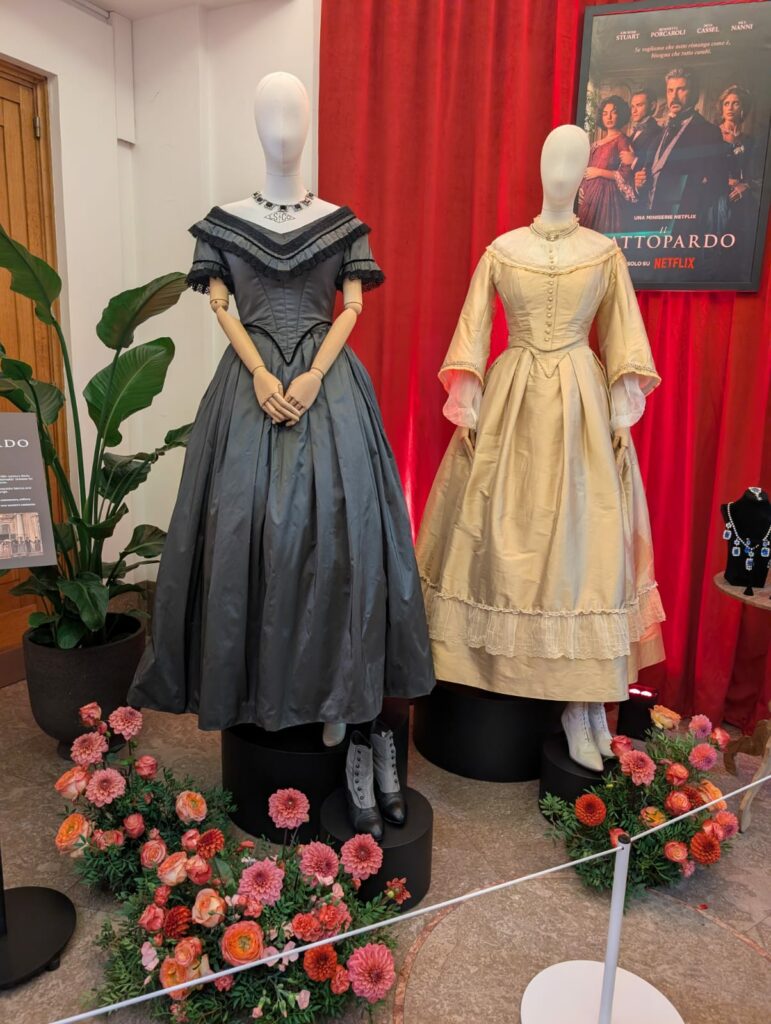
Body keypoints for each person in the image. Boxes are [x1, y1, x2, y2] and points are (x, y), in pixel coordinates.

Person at [641, 68, 725, 228]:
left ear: (694, 94)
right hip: (649, 218)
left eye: (681, 89)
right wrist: (640, 181)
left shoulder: (709, 132)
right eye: (670, 90)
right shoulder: (659, 134)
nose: (674, 97)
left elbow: (717, 183)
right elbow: (650, 171)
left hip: (684, 222)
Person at [577, 96, 635, 233]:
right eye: (605, 113)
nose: (608, 117)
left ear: (620, 114)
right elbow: (587, 170)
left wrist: (599, 172)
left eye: (613, 112)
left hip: (607, 198)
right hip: (589, 196)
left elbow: (625, 174)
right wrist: (582, 188)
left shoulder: (622, 140)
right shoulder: (596, 144)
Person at [715, 85, 762, 247]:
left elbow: (756, 174)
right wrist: (726, 181)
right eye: (726, 103)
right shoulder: (712, 135)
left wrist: (745, 186)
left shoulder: (750, 141)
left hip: (743, 199)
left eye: (735, 103)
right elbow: (702, 170)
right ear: (722, 109)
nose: (730, 107)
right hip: (717, 197)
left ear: (743, 108)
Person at [628, 88, 662, 206]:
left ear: (652, 106)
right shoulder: (633, 133)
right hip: (627, 192)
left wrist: (633, 161)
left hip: (642, 196)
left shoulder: (658, 132)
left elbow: (653, 166)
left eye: (639, 105)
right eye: (632, 106)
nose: (634, 111)